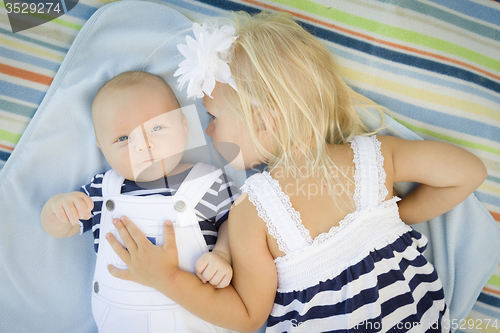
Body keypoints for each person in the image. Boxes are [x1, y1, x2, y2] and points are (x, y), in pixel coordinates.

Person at [104, 13, 487, 333]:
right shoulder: (373, 158)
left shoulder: (253, 213)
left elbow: (245, 315)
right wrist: (401, 215)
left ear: (263, 121)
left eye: (214, 117)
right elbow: (469, 172)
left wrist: (166, 278)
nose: (208, 131)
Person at [40, 71, 239, 333]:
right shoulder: (103, 190)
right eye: (123, 138)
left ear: (183, 126)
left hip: (194, 320)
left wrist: (222, 255)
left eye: (156, 128)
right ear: (102, 148)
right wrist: (56, 209)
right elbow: (60, 229)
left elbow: (236, 225)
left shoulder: (209, 182)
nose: (143, 146)